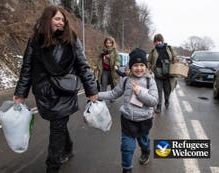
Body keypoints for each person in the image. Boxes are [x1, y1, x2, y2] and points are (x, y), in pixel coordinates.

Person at [12, 5, 98, 173]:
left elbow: (83, 66)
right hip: (44, 92)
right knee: (57, 123)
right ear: (47, 20)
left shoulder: (71, 38)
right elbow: (27, 68)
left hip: (65, 91)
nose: (61, 23)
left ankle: (52, 167)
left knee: (57, 129)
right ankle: (68, 147)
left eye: (63, 20)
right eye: (57, 19)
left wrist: (92, 91)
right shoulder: (35, 40)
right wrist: (20, 93)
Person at [98, 48, 158, 173]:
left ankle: (146, 151)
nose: (139, 68)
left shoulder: (150, 81)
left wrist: (140, 93)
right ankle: (127, 169)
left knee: (144, 142)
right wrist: (97, 95)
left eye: (142, 65)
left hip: (144, 120)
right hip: (127, 120)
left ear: (146, 67)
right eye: (135, 65)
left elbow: (154, 101)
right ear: (130, 67)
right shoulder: (125, 80)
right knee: (127, 147)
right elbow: (113, 94)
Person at [148, 34, 178, 113]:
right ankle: (159, 106)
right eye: (156, 41)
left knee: (167, 90)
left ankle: (167, 100)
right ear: (154, 42)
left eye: (159, 41)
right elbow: (149, 61)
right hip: (158, 74)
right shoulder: (153, 51)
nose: (158, 43)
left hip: (168, 74)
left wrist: (175, 58)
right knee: (158, 91)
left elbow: (175, 55)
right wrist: (148, 68)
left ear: (162, 41)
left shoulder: (169, 48)